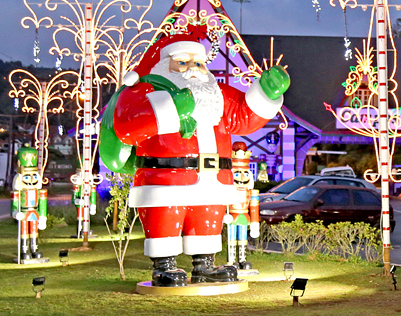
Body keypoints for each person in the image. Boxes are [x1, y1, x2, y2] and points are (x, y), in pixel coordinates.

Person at [99, 24, 289, 287]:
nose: (194, 68)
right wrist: (173, 108)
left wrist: (266, 93)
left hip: (214, 181)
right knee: (165, 219)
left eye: (198, 62)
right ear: (163, 65)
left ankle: (205, 266)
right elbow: (127, 126)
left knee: (207, 220)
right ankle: (164, 266)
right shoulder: (144, 92)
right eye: (182, 62)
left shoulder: (217, 94)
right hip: (165, 180)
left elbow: (243, 116)